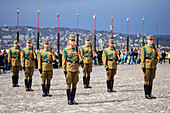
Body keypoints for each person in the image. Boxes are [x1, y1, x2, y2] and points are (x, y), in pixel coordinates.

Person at [62, 35, 79, 105]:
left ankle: (73, 99)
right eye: (71, 40)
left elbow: (78, 59)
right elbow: (63, 61)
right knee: (69, 84)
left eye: (74, 40)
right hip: (69, 68)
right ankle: (69, 99)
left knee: (75, 84)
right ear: (69, 41)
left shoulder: (76, 50)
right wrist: (64, 70)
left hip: (75, 69)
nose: (73, 42)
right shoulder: (66, 50)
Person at [141, 35, 158, 99]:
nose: (151, 41)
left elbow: (155, 57)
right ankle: (146, 94)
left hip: (153, 66)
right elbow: (142, 58)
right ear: (147, 41)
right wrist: (143, 67)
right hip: (147, 66)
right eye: (150, 40)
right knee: (146, 79)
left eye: (152, 40)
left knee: (151, 79)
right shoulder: (144, 48)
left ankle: (150, 93)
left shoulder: (154, 48)